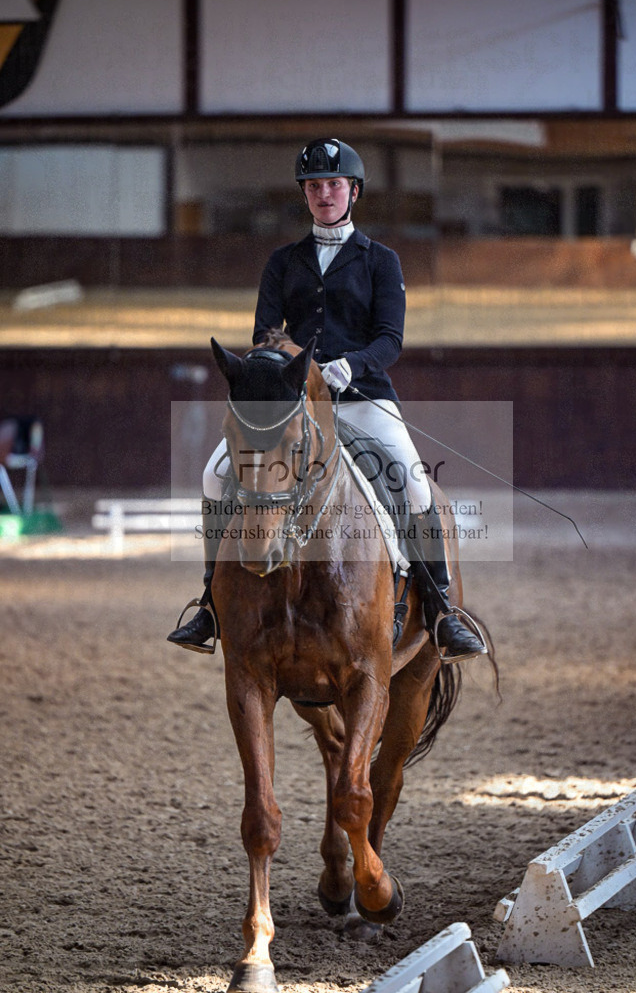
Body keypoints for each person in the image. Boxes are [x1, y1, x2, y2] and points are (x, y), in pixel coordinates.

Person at [167, 138, 485, 661]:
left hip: (363, 397)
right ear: (305, 195)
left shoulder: (381, 261)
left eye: (334, 185)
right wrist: (301, 371)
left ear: (353, 192)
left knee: (412, 481)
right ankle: (209, 602)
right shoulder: (283, 261)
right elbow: (265, 334)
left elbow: (390, 339)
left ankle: (442, 608)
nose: (324, 194)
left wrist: (350, 365)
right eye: (314, 187)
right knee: (213, 475)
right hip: (292, 405)